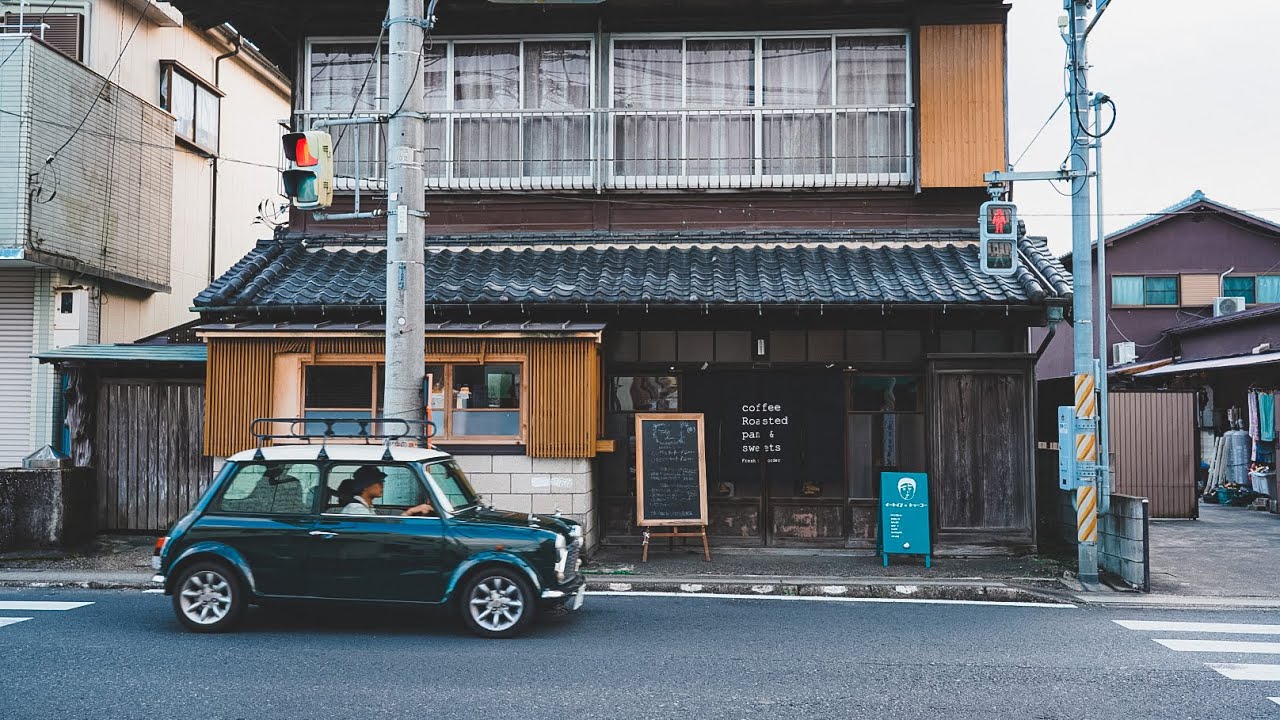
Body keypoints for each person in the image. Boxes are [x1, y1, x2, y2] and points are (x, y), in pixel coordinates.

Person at [340, 465, 434, 516]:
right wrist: (409, 512)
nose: (382, 485)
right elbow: (377, 532)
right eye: (378, 482)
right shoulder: (356, 509)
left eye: (382, 481)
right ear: (365, 486)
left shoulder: (366, 507)